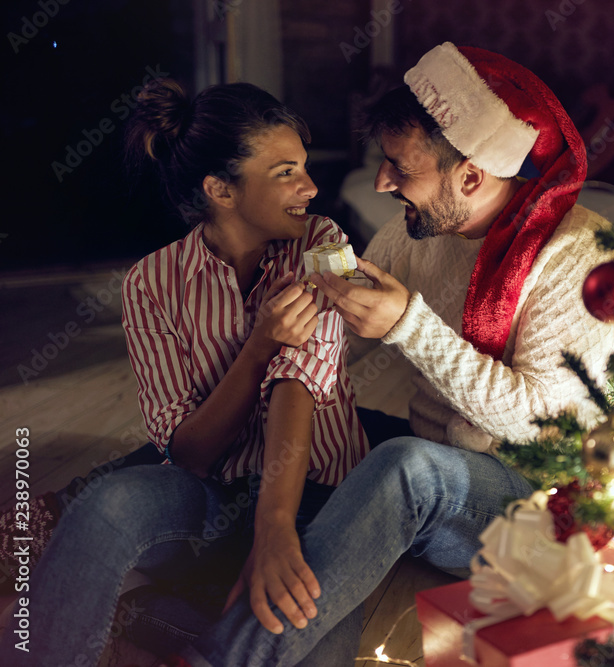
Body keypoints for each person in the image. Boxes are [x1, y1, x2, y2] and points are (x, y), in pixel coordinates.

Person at [169, 42, 614, 666]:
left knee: (405, 467)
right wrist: (298, 300)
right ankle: (253, 555)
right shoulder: (424, 228)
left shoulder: (578, 259)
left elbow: (538, 426)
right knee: (324, 437)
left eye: (399, 168)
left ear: (470, 175)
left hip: (542, 506)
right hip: (452, 456)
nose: (383, 183)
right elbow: (342, 312)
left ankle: (221, 659)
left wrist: (409, 326)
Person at [0, 80, 369, 666]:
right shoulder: (151, 284)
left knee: (312, 643)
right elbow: (188, 453)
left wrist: (275, 528)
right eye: (285, 172)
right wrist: (256, 347)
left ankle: (153, 614)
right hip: (211, 495)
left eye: (303, 167)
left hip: (316, 499)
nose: (310, 186)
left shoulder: (324, 241)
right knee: (106, 504)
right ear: (220, 189)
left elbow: (300, 379)